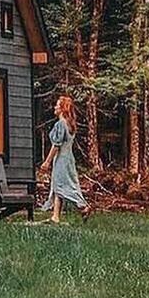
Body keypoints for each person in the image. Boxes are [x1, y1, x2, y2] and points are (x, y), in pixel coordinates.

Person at [40, 95, 91, 223]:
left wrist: (47, 162)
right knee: (59, 186)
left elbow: (56, 145)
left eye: (57, 105)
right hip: (68, 159)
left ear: (62, 109)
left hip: (61, 159)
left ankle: (83, 206)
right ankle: (55, 216)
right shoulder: (69, 124)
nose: (55, 107)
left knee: (64, 185)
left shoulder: (61, 124)